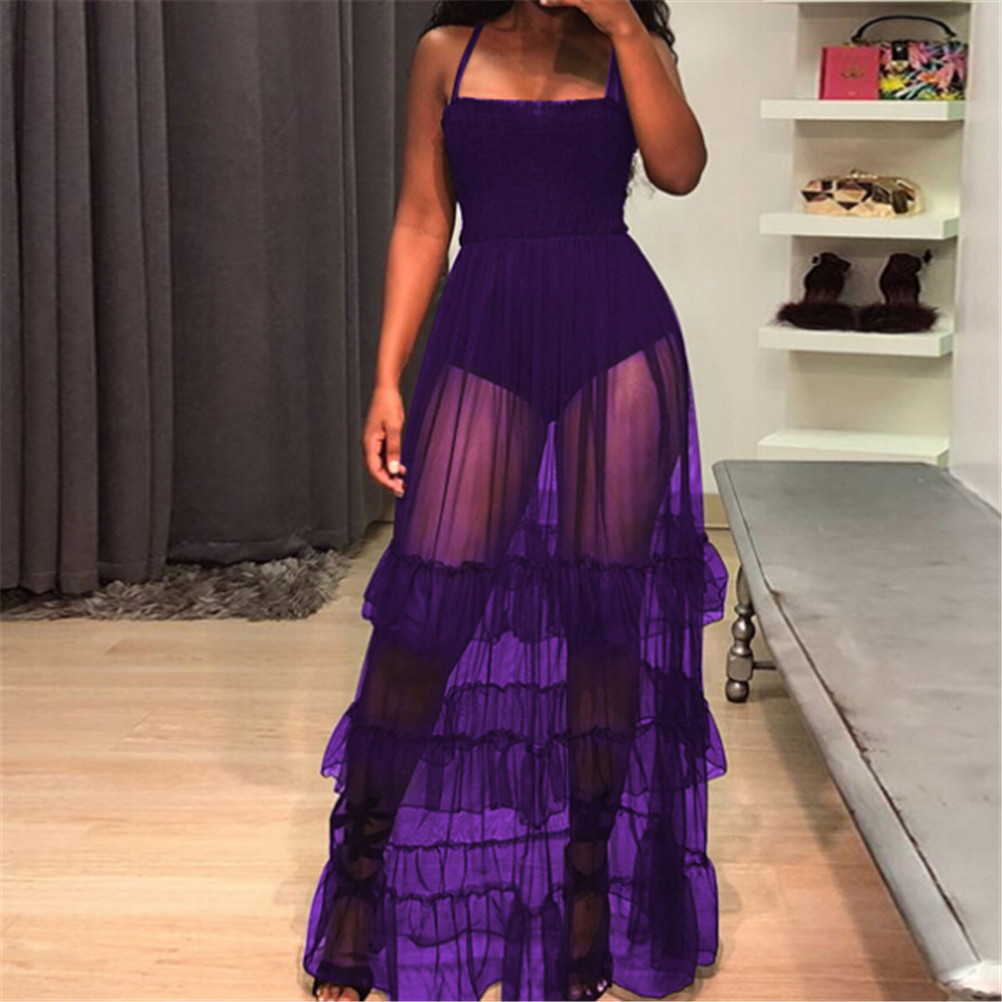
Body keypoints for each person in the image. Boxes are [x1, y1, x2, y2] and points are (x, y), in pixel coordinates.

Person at [303, 1, 729, 999]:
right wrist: (386, 378)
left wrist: (626, 27)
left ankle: (585, 891)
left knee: (604, 623)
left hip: (616, 339)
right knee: (425, 617)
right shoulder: (446, 52)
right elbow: (423, 217)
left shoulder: (627, 44)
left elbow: (680, 170)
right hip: (486, 333)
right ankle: (361, 879)